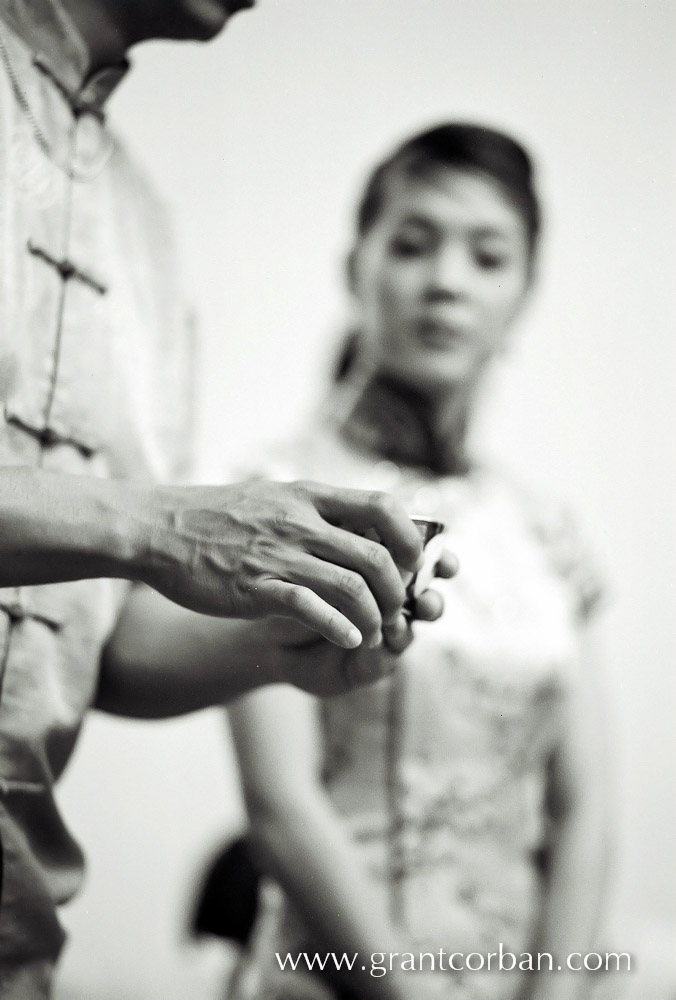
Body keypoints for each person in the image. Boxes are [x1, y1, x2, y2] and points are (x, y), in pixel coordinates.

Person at [0, 2, 458, 995]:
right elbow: (143, 539)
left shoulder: (146, 237)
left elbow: (94, 647)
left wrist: (280, 642)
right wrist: (157, 522)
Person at [227, 123, 612, 1000]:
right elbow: (282, 805)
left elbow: (585, 809)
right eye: (411, 245)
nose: (445, 282)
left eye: (487, 256)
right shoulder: (272, 501)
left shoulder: (547, 530)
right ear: (354, 266)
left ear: (523, 294)